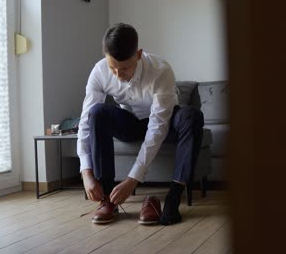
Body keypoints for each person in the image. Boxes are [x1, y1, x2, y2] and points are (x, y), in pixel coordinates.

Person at [77, 23, 204, 225]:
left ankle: (173, 197)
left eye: (124, 68)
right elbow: (85, 123)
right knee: (96, 113)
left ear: (138, 54)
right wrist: (86, 172)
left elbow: (157, 126)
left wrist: (133, 179)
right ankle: (108, 199)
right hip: (130, 123)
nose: (118, 75)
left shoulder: (161, 70)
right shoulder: (99, 71)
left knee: (192, 115)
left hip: (167, 122)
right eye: (113, 68)